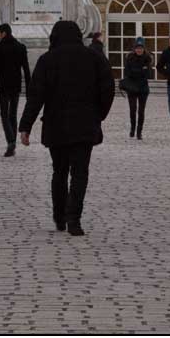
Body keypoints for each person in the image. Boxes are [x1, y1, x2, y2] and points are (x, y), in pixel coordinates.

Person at [19, 19, 116, 236]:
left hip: (56, 125)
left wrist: (26, 126)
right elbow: (108, 88)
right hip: (85, 124)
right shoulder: (93, 58)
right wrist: (98, 114)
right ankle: (74, 220)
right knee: (80, 173)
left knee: (59, 172)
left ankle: (59, 216)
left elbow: (36, 96)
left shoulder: (47, 60)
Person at [0, 23, 30, 158]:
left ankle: (11, 141)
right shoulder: (20, 47)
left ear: (4, 33)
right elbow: (26, 69)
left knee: (4, 115)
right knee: (12, 114)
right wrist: (29, 88)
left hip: (3, 85)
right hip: (16, 85)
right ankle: (13, 142)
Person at [119, 38, 152, 139]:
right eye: (137, 48)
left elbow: (149, 74)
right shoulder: (130, 58)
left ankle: (139, 131)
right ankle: (132, 128)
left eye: (141, 48)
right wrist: (141, 70)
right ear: (134, 48)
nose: (139, 50)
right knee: (132, 109)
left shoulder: (148, 58)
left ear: (143, 48)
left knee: (141, 111)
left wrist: (137, 71)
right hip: (132, 88)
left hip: (143, 89)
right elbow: (127, 72)